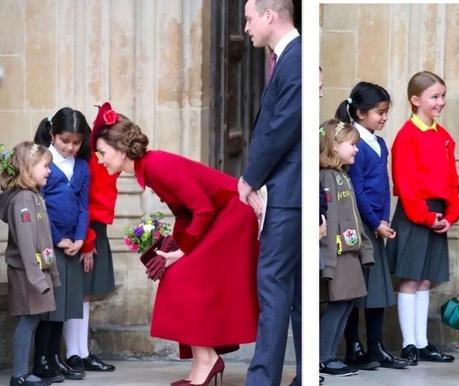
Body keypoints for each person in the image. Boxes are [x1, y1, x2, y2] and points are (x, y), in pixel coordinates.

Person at [93, 106, 259, 386]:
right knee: (178, 274)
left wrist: (182, 250)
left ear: (121, 149)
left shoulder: (158, 165)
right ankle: (203, 361)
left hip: (233, 215)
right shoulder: (150, 168)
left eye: (102, 153)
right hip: (219, 216)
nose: (100, 160)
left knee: (182, 277)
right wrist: (175, 244)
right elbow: (186, 213)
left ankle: (207, 360)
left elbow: (202, 209)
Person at [240, 1, 302, 385]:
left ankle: (262, 380)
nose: (245, 27)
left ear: (269, 15)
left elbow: (283, 126)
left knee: (274, 285)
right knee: (291, 289)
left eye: (248, 18)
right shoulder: (289, 57)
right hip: (289, 189)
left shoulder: (294, 58)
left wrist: (250, 177)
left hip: (287, 190)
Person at [387, 71, 459, 365]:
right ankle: (408, 344)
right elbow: (405, 184)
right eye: (434, 97)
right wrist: (426, 217)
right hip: (416, 213)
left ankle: (423, 342)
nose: (441, 102)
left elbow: (453, 181)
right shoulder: (406, 136)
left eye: (443, 96)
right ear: (416, 100)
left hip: (439, 213)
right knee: (411, 279)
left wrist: (451, 215)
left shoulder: (444, 137)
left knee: (426, 280)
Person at [335, 82, 408, 370]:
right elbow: (357, 189)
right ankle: (353, 346)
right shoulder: (356, 145)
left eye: (386, 112)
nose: (384, 117)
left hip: (377, 225)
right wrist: (375, 221)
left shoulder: (379, 143)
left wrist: (383, 220)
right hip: (362, 225)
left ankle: (376, 346)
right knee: (355, 287)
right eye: (380, 112)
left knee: (377, 289)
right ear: (361, 113)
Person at [33, 107, 91, 383]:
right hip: (50, 243)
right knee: (49, 306)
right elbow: (40, 205)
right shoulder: (43, 163)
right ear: (53, 134)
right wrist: (58, 238)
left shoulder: (81, 166)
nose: (70, 147)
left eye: (76, 142)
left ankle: (55, 358)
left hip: (72, 245)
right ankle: (42, 359)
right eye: (65, 140)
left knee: (65, 304)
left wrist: (79, 238)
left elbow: (83, 206)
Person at [65, 103, 119, 375]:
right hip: (86, 230)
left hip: (98, 229)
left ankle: (82, 352)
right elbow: (81, 204)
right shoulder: (90, 164)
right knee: (76, 294)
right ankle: (73, 353)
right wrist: (87, 242)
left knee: (84, 295)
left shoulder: (104, 161)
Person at [0, 142, 59, 386]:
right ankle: (20, 375)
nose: (49, 171)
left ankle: (23, 373)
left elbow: (42, 239)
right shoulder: (23, 199)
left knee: (32, 320)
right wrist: (38, 279)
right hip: (27, 274)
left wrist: (52, 273)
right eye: (45, 166)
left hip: (35, 273)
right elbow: (26, 245)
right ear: (28, 167)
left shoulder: (32, 196)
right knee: (27, 320)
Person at [319, 119, 374, 377]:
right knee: (338, 304)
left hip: (350, 255)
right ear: (334, 145)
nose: (356, 150)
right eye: (352, 145)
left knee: (347, 303)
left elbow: (353, 217)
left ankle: (329, 355)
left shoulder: (343, 176)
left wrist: (365, 250)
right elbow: (328, 222)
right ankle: (323, 356)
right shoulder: (326, 178)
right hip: (337, 256)